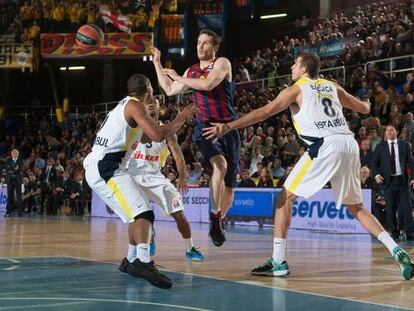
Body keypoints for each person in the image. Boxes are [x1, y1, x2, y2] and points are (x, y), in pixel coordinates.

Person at [203, 53, 414, 280]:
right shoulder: (330, 86)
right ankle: (396, 249)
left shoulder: (296, 89)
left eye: (295, 63)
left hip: (325, 145)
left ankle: (278, 262)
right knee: (357, 207)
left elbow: (263, 113)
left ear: (303, 68)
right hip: (348, 143)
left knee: (284, 198)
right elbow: (363, 109)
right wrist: (367, 103)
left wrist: (228, 127)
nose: (292, 66)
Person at [83, 74, 194, 289]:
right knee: (144, 214)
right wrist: (180, 118)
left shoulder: (124, 106)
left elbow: (146, 137)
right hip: (107, 167)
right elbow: (158, 134)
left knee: (134, 217)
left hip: (102, 166)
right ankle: (143, 263)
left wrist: (162, 125)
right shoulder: (135, 105)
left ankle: (130, 259)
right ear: (148, 89)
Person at [152, 29, 240, 247]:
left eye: (205, 43)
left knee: (230, 189)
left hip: (229, 127)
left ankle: (218, 220)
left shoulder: (222, 63)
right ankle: (214, 215)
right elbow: (170, 89)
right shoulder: (191, 71)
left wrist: (178, 76)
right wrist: (156, 62)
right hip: (205, 127)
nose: (200, 47)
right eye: (199, 43)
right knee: (220, 165)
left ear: (215, 47)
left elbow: (208, 84)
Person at [124, 98, 204, 261]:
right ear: (142, 107)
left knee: (179, 212)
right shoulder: (132, 125)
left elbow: (178, 155)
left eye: (155, 101)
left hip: (154, 175)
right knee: (136, 216)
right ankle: (137, 251)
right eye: (147, 102)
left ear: (160, 107)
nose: (151, 103)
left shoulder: (167, 130)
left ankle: (190, 248)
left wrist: (182, 177)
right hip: (132, 175)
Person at [372, 125, 414, 241]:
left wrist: (413, 178)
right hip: (388, 182)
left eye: (392, 129)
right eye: (387, 130)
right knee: (390, 208)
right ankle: (394, 233)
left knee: (406, 207)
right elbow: (374, 163)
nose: (390, 132)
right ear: (385, 133)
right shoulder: (380, 147)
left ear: (396, 132)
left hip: (402, 181)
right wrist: (376, 174)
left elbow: (410, 162)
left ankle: (410, 233)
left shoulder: (404, 145)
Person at [4, 149, 24, 217]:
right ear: (11, 154)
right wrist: (14, 170)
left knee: (19, 196)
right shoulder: (8, 160)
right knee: (9, 196)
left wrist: (11, 171)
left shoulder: (20, 161)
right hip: (10, 180)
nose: (15, 154)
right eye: (13, 153)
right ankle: (8, 212)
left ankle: (20, 212)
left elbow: (20, 169)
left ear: (18, 154)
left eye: (16, 153)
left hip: (18, 180)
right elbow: (6, 169)